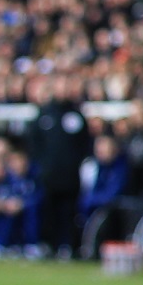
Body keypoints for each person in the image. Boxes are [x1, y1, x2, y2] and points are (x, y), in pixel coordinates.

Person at [26, 77, 93, 260]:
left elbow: (85, 144)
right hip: (48, 176)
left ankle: (69, 247)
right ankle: (49, 246)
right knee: (48, 212)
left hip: (71, 176)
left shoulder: (76, 114)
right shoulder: (44, 114)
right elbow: (34, 143)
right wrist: (42, 166)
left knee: (70, 213)